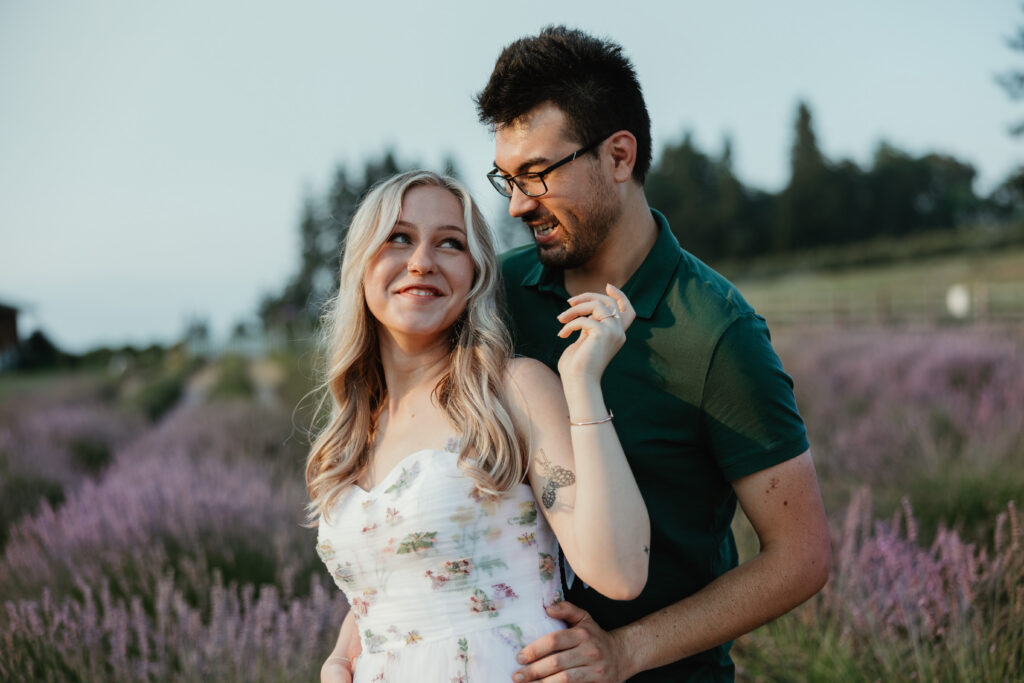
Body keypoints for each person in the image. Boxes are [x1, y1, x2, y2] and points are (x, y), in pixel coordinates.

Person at [475, 26, 832, 682]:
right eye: (506, 178)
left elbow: (801, 556)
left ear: (618, 156)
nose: (519, 203)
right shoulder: (492, 298)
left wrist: (626, 651)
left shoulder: (718, 329)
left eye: (538, 174)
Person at [307, 170, 651, 683]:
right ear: (361, 264)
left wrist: (582, 383)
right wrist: (340, 655)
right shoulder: (347, 434)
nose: (422, 261)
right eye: (399, 237)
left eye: (450, 243)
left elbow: (621, 572)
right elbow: (394, 574)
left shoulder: (513, 393)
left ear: (476, 274)